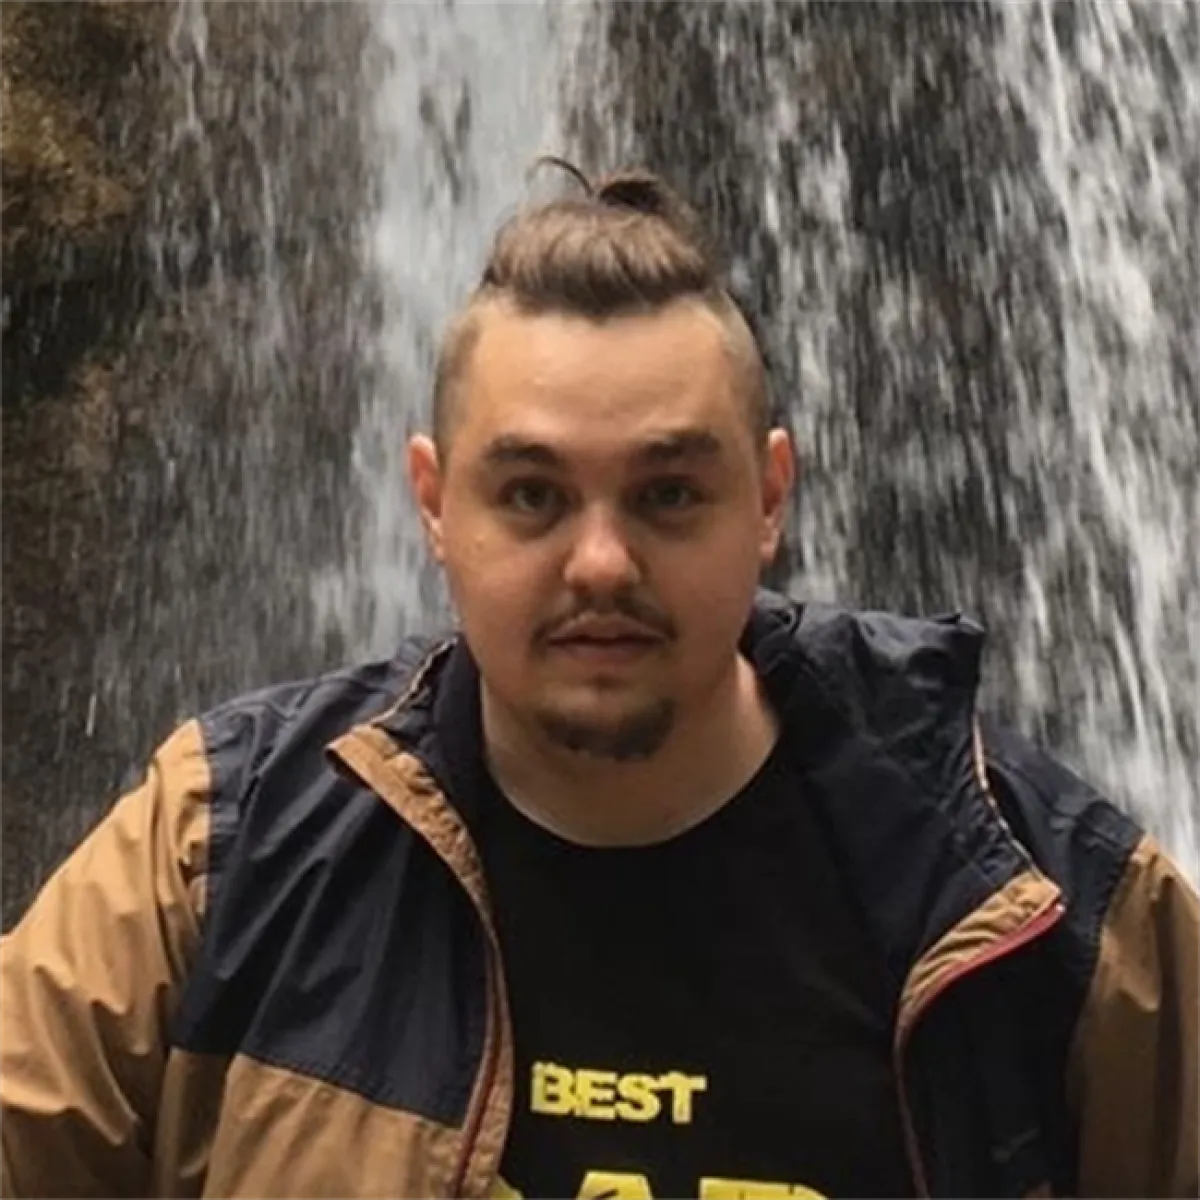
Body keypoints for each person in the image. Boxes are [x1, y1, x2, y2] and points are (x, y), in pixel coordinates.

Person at [1, 163, 1196, 1200]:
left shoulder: (1040, 894)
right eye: (532, 494)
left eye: (669, 493)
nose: (602, 563)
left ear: (769, 499)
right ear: (434, 504)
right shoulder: (221, 845)